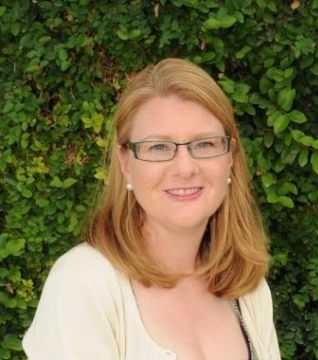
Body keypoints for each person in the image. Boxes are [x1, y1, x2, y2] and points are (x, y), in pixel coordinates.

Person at [22, 58, 281, 359]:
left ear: (230, 157)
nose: (185, 168)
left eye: (205, 144)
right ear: (126, 162)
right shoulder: (82, 283)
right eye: (158, 147)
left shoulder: (248, 289)